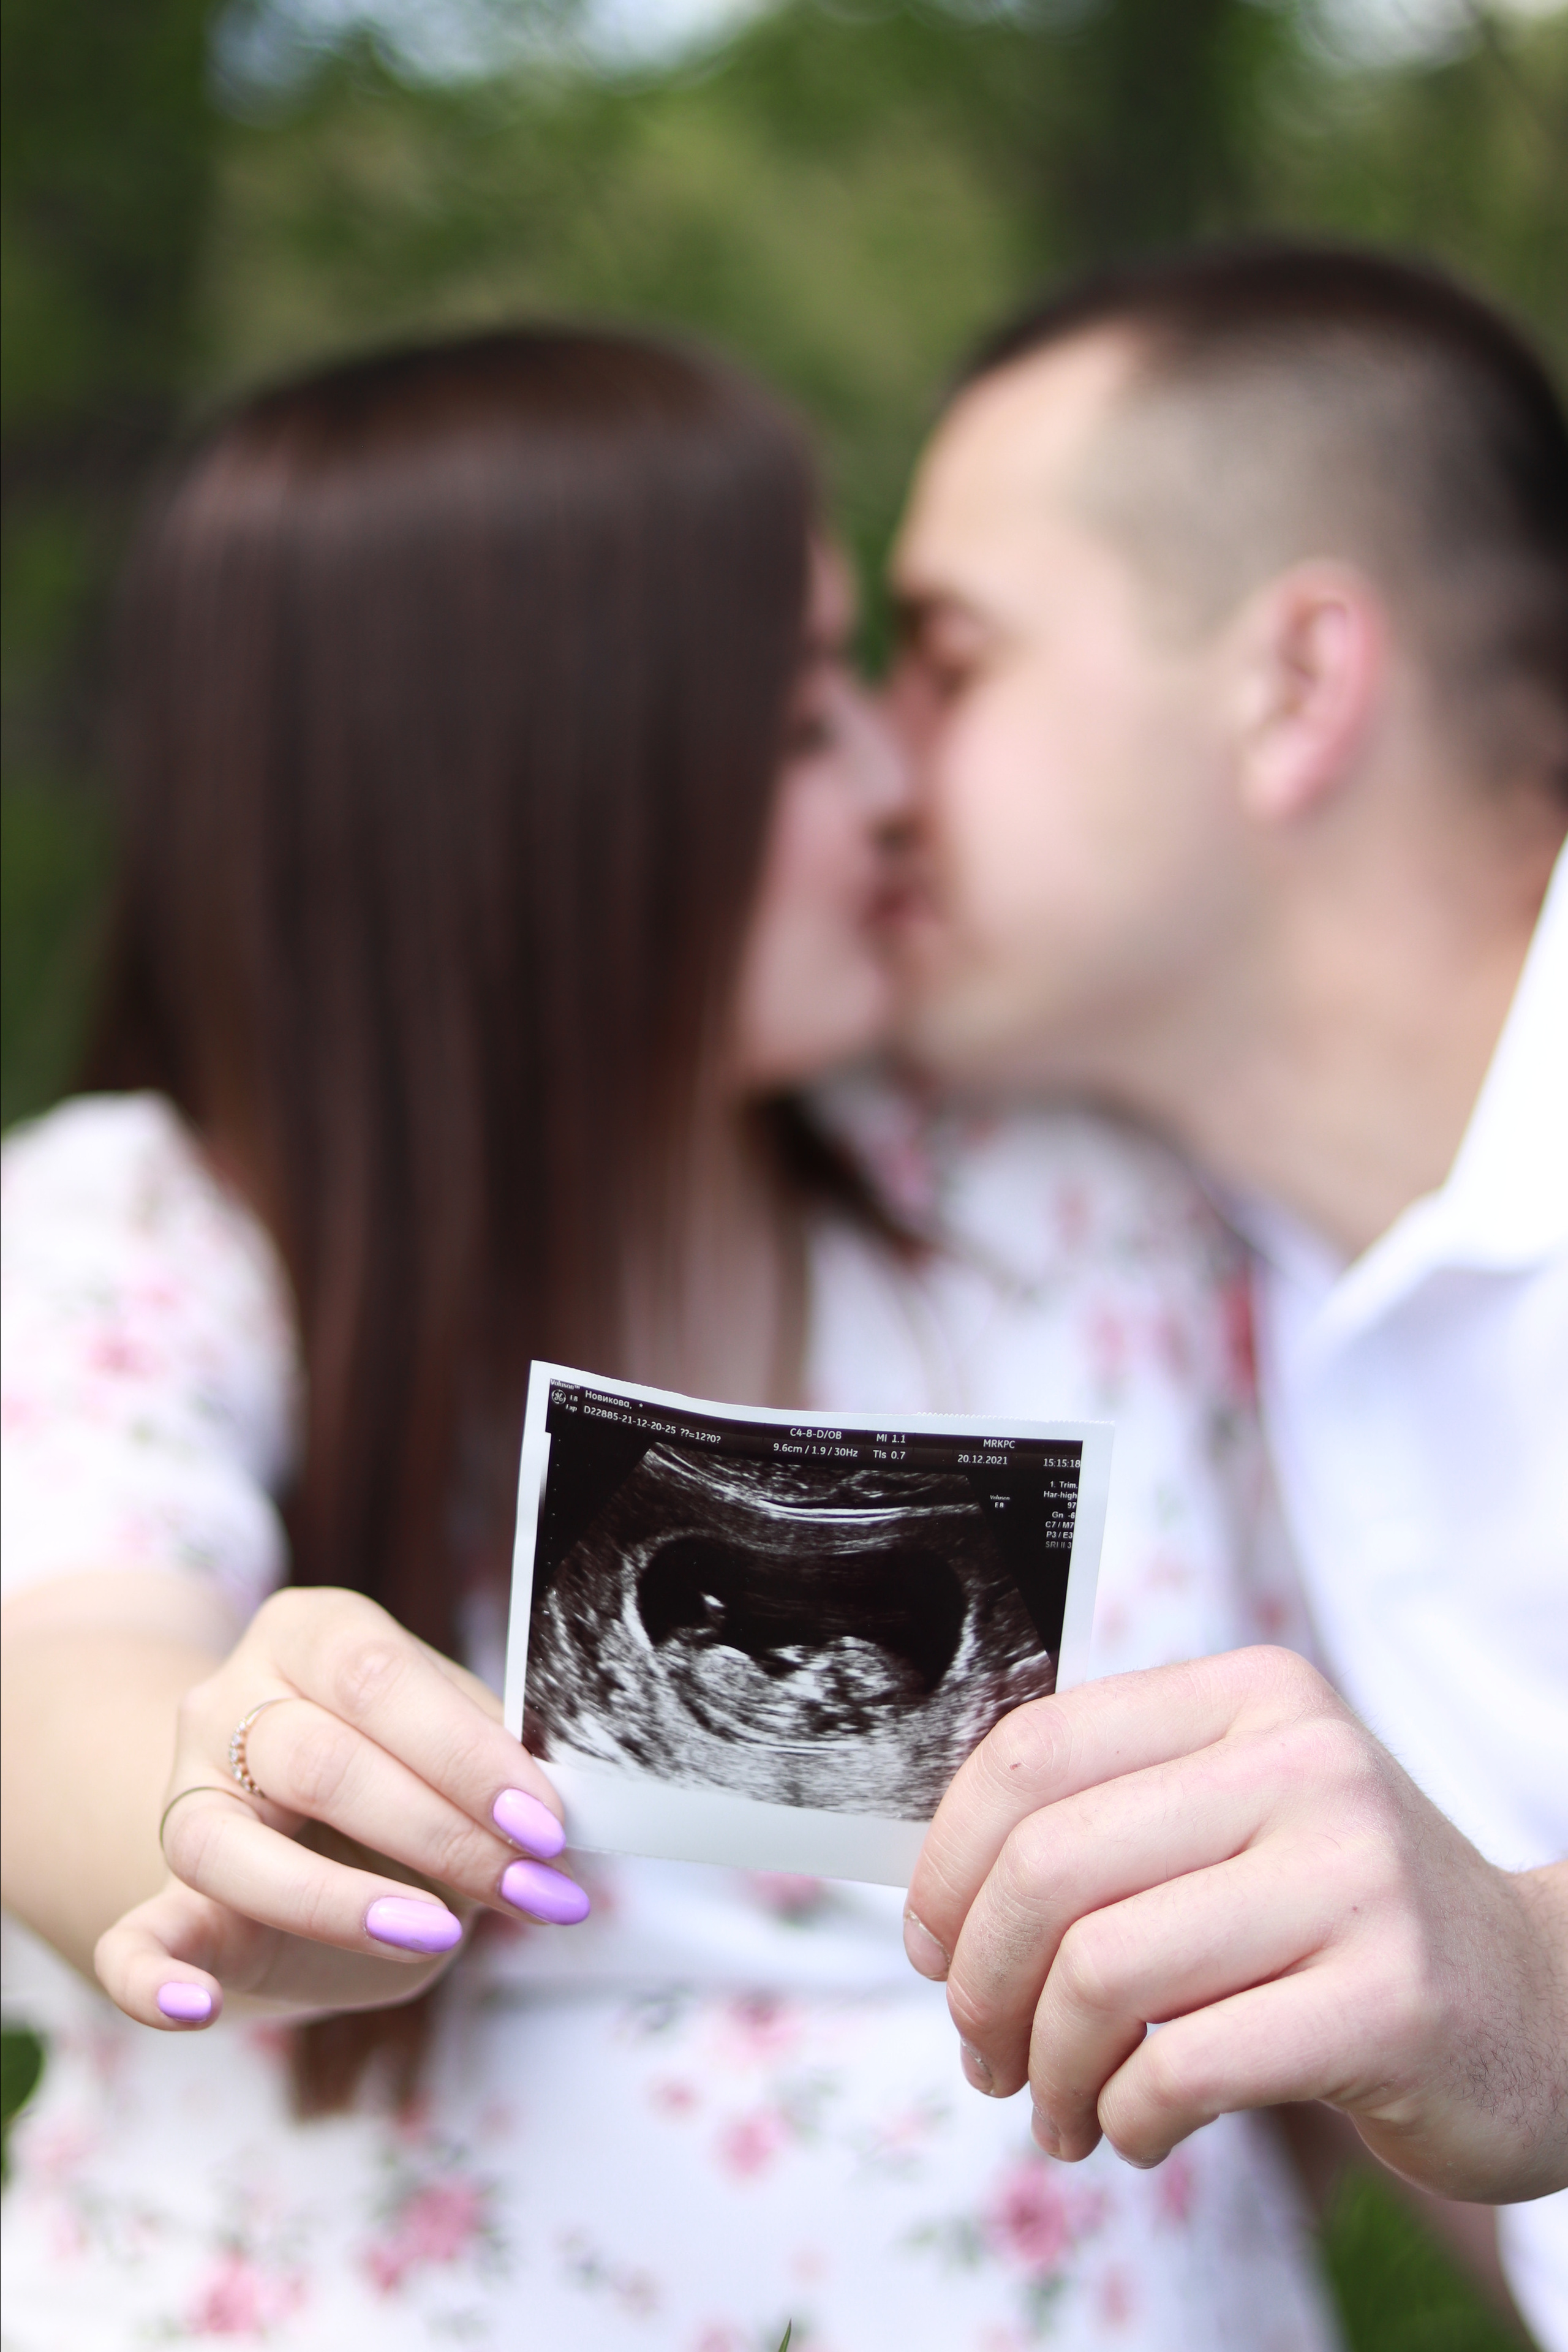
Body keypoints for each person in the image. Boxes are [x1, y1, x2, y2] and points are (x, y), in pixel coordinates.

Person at [0, 326, 1336, 2348]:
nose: (892, 781)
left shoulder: (1080, 1209)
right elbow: (60, 1671)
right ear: (512, 798)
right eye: (797, 726)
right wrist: (229, 1809)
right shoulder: (147, 1238)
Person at [886, 241, 1568, 2346]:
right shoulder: (1137, 1290)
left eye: (951, 662)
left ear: (1291, 688)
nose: (878, 767)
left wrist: (1538, 1988)